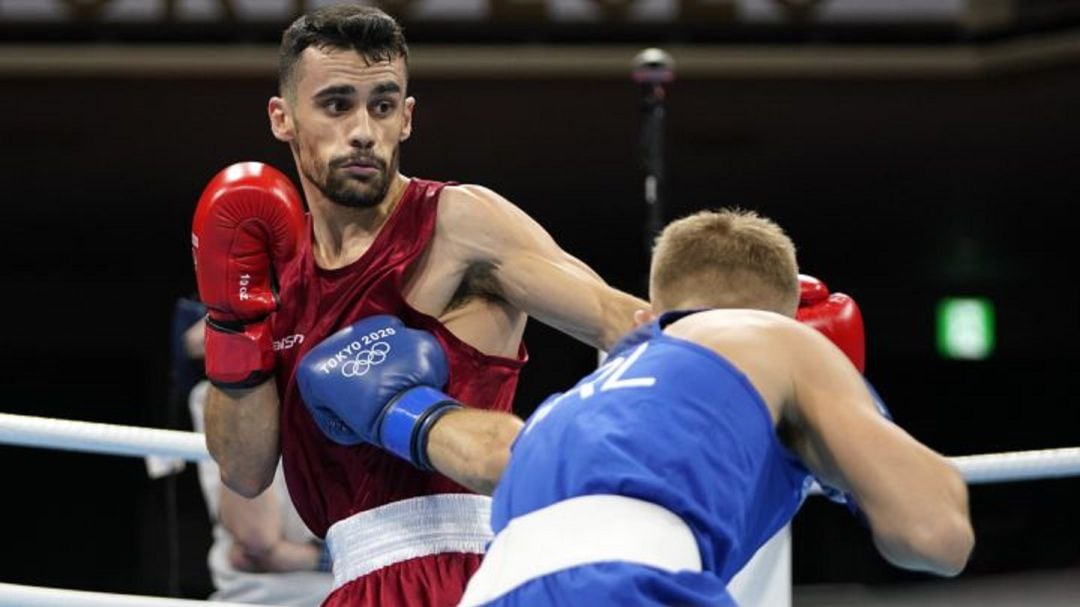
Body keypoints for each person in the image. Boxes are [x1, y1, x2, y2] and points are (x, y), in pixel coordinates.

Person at [190, 4, 647, 606]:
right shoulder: (281, 279)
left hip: (473, 573)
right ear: (283, 118)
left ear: (406, 118)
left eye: (382, 105)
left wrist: (751, 345)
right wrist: (232, 320)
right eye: (336, 105)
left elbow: (625, 323)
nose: (362, 130)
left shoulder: (458, 224)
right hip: (352, 583)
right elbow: (246, 472)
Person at [295, 208, 975, 606]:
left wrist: (400, 408)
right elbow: (935, 534)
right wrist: (849, 452)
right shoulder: (774, 338)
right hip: (628, 585)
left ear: (655, 309)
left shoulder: (571, 409)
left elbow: (486, 451)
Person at [181, 315, 334, 606]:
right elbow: (258, 544)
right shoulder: (223, 394)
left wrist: (311, 558)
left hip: (354, 587)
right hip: (266, 596)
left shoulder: (355, 375)